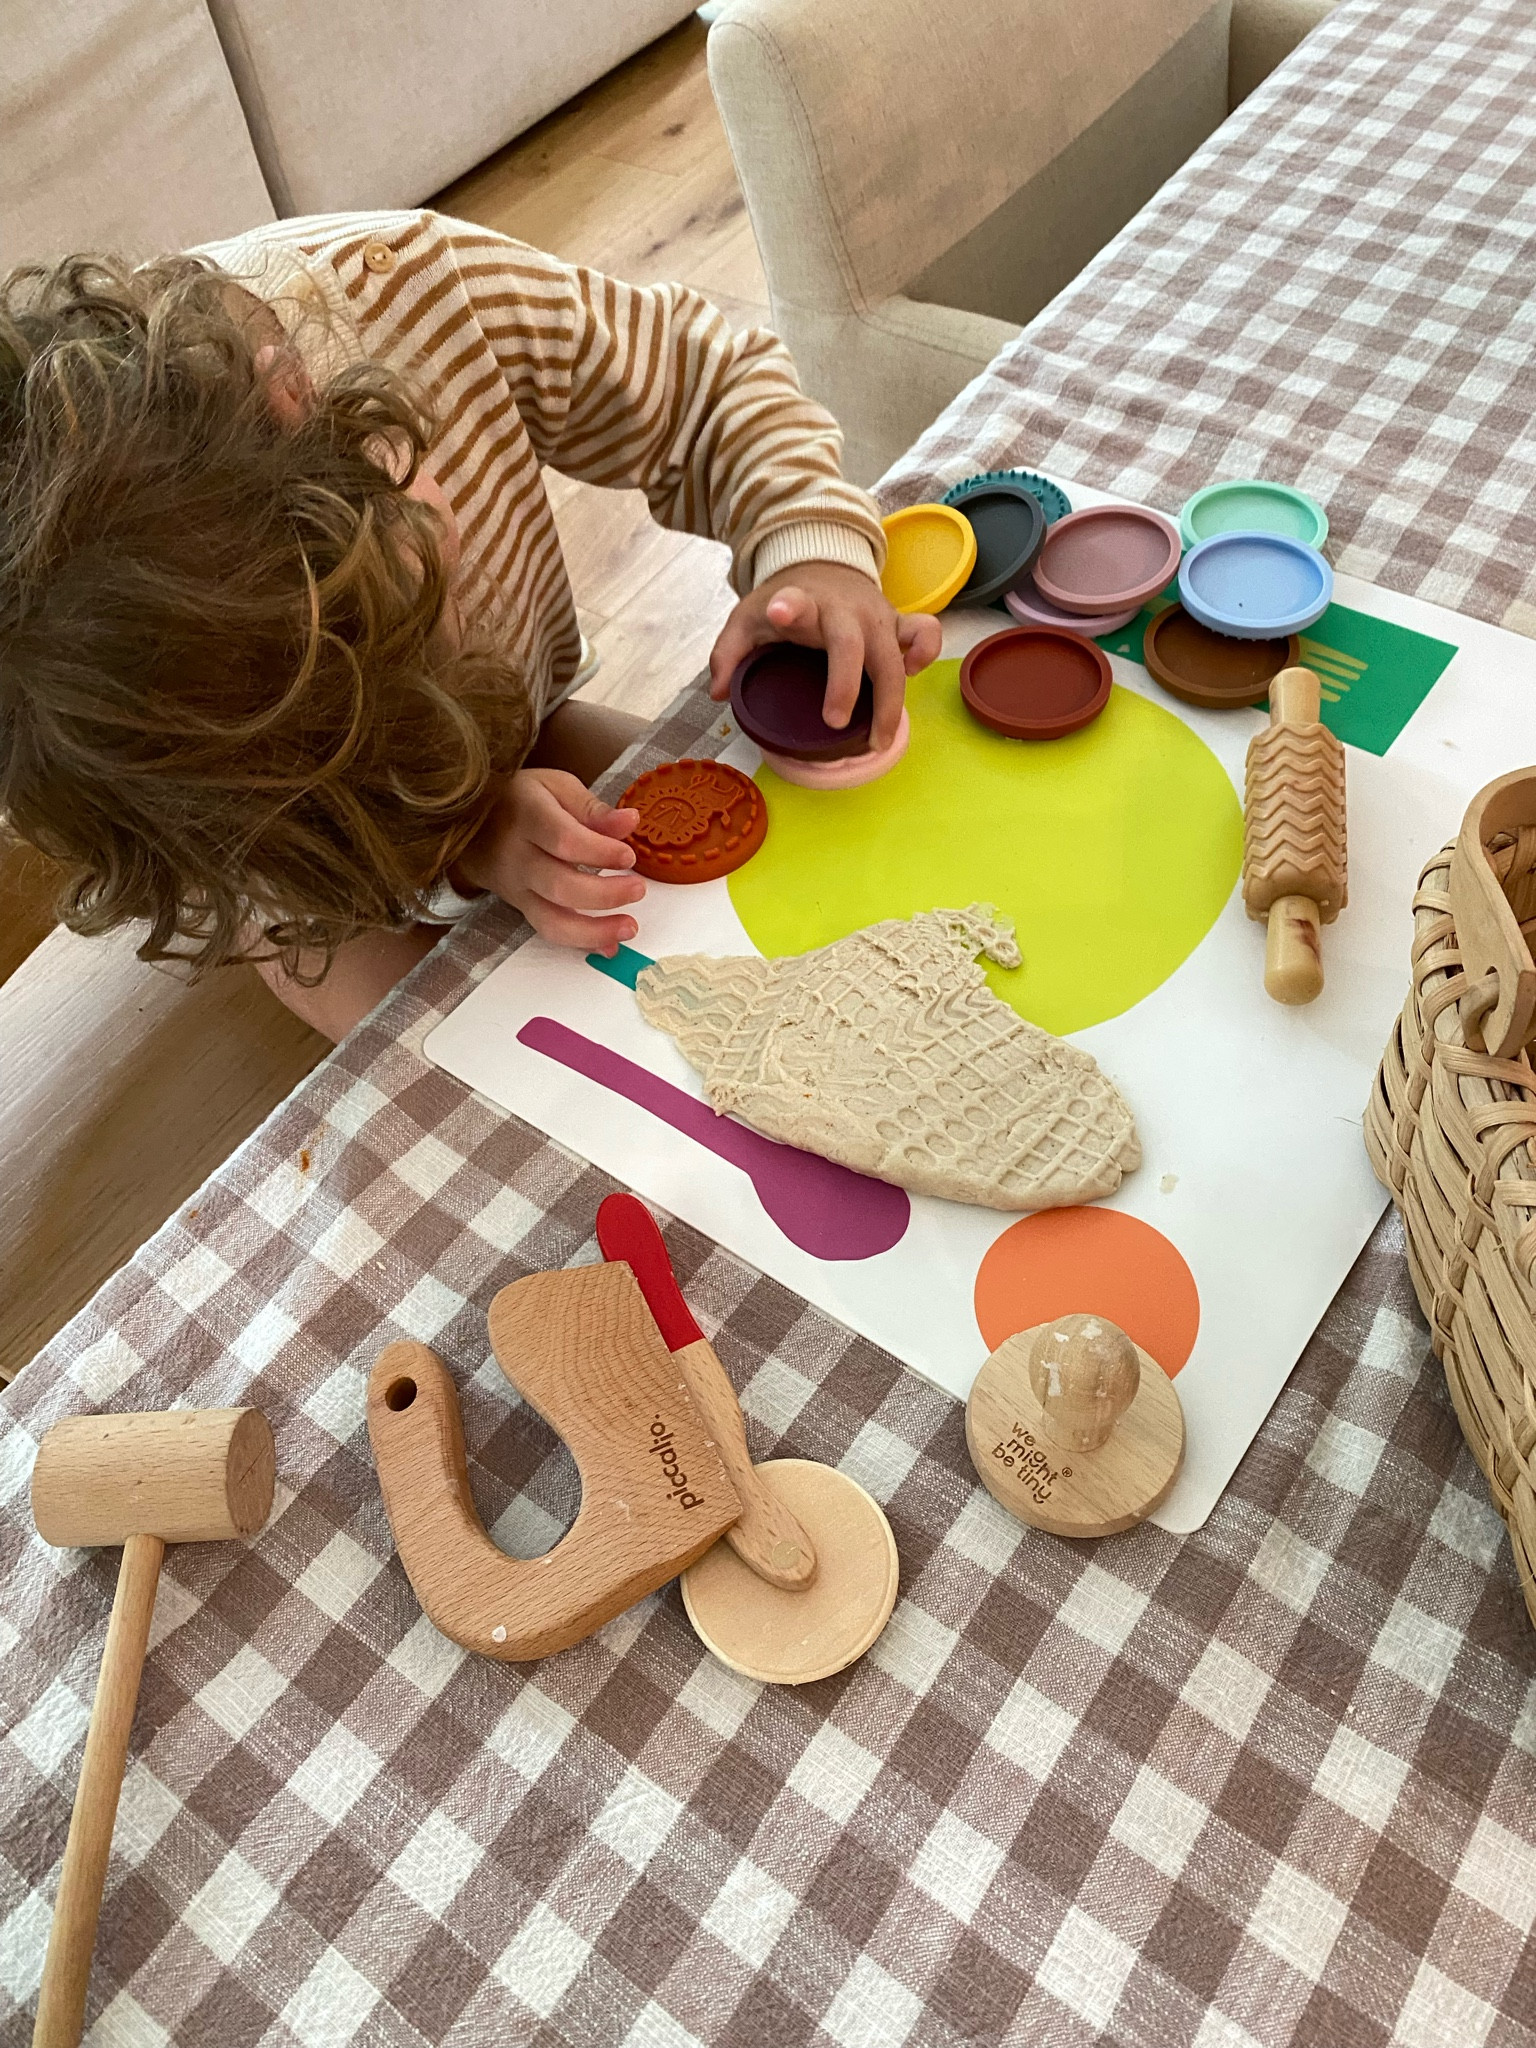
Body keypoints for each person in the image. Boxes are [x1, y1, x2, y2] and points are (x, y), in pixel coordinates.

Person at [0, 211, 941, 1043]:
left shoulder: (425, 289)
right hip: (297, 866)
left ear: (306, 394)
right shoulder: (102, 732)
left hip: (524, 719)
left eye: (429, 600)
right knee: (436, 1048)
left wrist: (807, 547)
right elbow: (282, 882)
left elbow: (709, 387)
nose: (448, 571)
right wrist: (455, 851)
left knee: (761, 836)